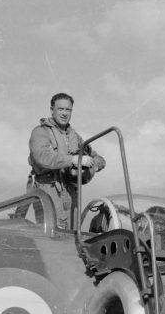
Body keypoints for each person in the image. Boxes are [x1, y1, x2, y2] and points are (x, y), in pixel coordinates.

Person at [28, 93, 106, 229]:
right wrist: (74, 160)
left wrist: (93, 166)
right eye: (61, 109)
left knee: (73, 233)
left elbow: (98, 158)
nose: (64, 113)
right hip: (48, 189)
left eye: (68, 110)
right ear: (52, 110)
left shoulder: (74, 136)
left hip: (70, 191)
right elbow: (42, 157)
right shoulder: (40, 132)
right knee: (53, 233)